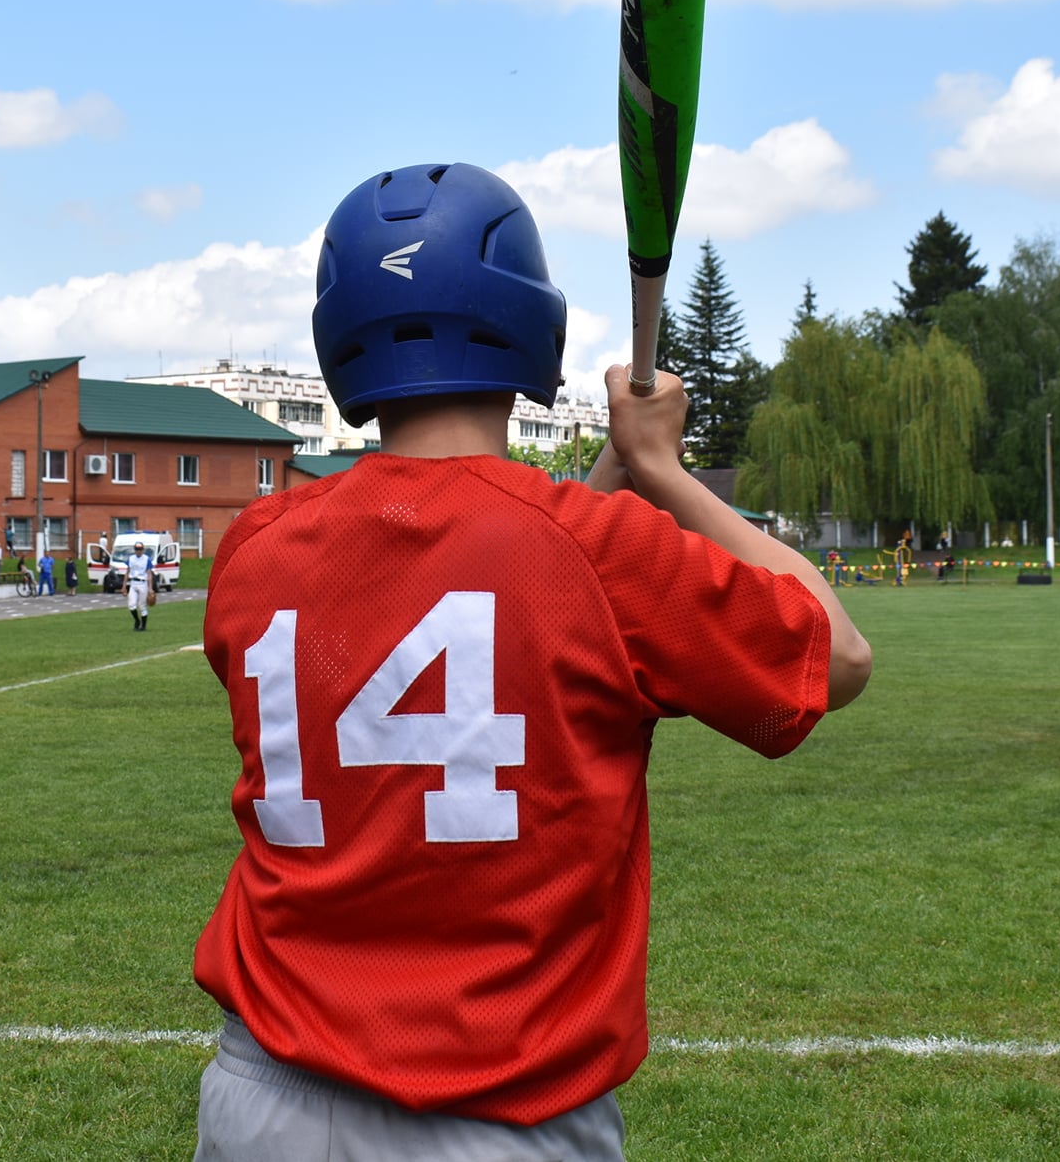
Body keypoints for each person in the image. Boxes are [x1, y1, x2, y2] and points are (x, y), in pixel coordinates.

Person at [191, 163, 872, 1158]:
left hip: (263, 1100)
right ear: (523, 322)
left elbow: (496, 551)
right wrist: (661, 471)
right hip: (499, 1112)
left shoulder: (252, 550)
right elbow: (836, 656)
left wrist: (614, 474)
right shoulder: (593, 553)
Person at [125, 540, 154, 631]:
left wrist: (150, 588)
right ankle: (137, 620)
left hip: (142, 583)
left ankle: (143, 626)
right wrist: (124, 586)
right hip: (133, 582)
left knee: (142, 605)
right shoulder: (131, 558)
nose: (138, 551)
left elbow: (149, 574)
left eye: (140, 549)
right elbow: (127, 572)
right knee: (131, 605)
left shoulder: (146, 559)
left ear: (143, 550)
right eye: (137, 549)